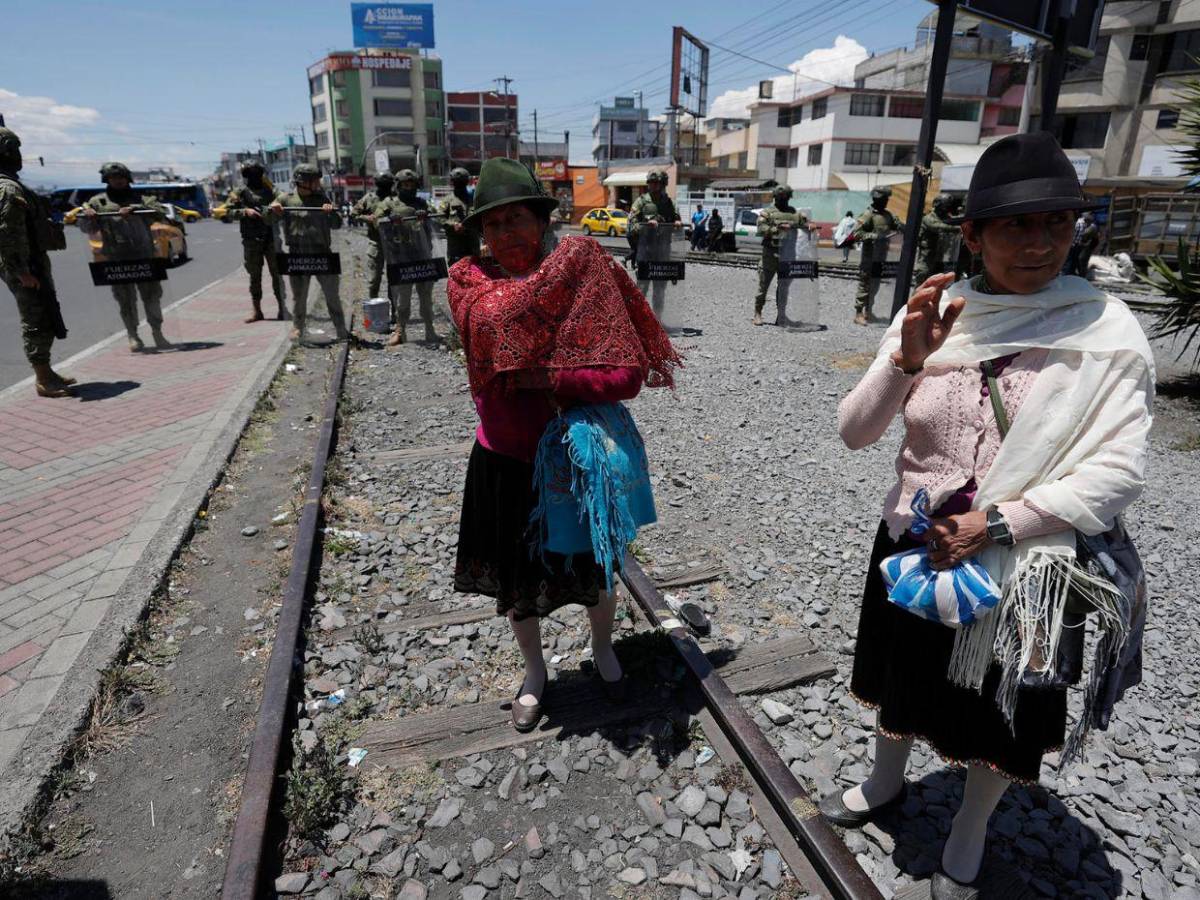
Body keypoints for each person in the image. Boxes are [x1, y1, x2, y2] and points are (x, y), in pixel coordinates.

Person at [827, 132, 1153, 899]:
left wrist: (998, 523)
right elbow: (854, 431)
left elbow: (1117, 474)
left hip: (1030, 560)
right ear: (971, 234)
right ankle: (884, 782)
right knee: (903, 676)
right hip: (915, 544)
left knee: (1002, 712)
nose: (1040, 242)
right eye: (1016, 225)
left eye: (1057, 223)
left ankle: (970, 825)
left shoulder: (1104, 331)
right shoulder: (938, 314)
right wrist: (906, 361)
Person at [448, 158, 682, 733]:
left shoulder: (582, 273)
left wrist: (548, 378)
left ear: (542, 220)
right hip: (502, 460)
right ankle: (534, 673)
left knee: (595, 570)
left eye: (517, 219)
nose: (506, 235)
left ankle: (603, 646)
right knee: (516, 584)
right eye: (493, 224)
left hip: (572, 461)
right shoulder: (469, 286)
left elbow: (625, 375)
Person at [0, 127, 73, 397]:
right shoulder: (7, 187)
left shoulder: (9, 182)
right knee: (36, 318)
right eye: (14, 149)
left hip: (31, 260)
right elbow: (7, 233)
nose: (18, 155)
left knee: (47, 312)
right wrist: (20, 271)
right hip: (25, 264)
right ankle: (42, 378)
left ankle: (47, 371)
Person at [80, 162, 173, 352]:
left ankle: (157, 332)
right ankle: (133, 335)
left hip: (144, 256)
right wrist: (88, 216)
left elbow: (161, 214)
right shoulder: (98, 202)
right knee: (125, 299)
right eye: (113, 178)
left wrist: (135, 209)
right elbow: (86, 229)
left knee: (152, 296)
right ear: (106, 179)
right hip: (117, 259)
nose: (118, 181)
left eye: (121, 177)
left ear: (128, 178)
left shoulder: (143, 198)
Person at [267, 163, 349, 343]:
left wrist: (330, 212)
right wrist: (273, 210)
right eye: (315, 181)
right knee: (299, 296)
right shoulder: (286, 199)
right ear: (303, 182)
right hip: (298, 255)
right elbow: (267, 219)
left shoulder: (322, 199)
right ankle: (298, 327)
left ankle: (340, 328)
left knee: (332, 295)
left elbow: (337, 224)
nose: (318, 184)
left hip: (322, 254)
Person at [375, 169, 438, 346]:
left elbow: (435, 219)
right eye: (405, 185)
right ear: (398, 186)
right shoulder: (389, 203)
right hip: (400, 257)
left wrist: (425, 217)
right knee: (402, 300)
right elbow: (376, 219)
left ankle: (429, 329)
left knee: (425, 297)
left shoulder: (421, 203)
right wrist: (389, 220)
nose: (408, 188)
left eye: (411, 185)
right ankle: (400, 330)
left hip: (422, 255)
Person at [223, 160, 286, 323]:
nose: (254, 176)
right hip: (251, 240)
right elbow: (227, 212)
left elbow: (283, 198)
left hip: (271, 238)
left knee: (277, 275)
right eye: (250, 173)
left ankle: (282, 309)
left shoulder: (270, 189)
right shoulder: (240, 192)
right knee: (254, 276)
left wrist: (275, 203)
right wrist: (245, 211)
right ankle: (257, 311)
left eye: (257, 173)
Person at [752, 185, 809, 326]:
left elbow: (805, 225)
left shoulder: (794, 213)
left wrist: (810, 226)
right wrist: (776, 228)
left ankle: (781, 316)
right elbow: (760, 229)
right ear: (775, 198)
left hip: (788, 255)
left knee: (784, 288)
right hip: (770, 255)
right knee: (763, 287)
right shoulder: (768, 212)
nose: (783, 200)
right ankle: (757, 313)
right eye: (781, 197)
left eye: (786, 198)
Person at [628, 170, 679, 319]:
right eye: (652, 183)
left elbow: (676, 218)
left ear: (663, 184)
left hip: (663, 253)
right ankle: (638, 321)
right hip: (646, 252)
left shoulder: (669, 203)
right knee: (642, 288)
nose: (654, 186)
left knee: (660, 290)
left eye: (657, 183)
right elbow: (631, 226)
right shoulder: (641, 202)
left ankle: (657, 321)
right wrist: (645, 225)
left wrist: (677, 223)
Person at [853, 186, 903, 325]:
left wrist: (901, 226)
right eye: (884, 199)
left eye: (887, 199)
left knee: (875, 285)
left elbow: (897, 225)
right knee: (865, 284)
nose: (886, 202)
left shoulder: (888, 216)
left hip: (882, 256)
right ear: (877, 199)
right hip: (869, 257)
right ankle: (858, 313)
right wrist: (875, 236)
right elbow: (856, 234)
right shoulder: (868, 215)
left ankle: (869, 311)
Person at [351, 170, 395, 299]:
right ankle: (374, 308)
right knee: (374, 280)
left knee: (394, 279)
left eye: (387, 185)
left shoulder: (395, 199)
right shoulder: (368, 198)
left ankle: (393, 310)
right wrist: (366, 218)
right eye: (382, 184)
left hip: (394, 244)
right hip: (376, 243)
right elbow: (354, 214)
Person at [913, 194, 963, 286]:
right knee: (922, 283)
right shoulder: (929, 218)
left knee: (937, 284)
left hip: (940, 258)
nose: (947, 209)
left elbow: (953, 221)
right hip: (927, 257)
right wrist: (957, 228)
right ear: (938, 206)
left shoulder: (945, 218)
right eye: (945, 206)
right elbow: (937, 226)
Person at [439, 166, 478, 267]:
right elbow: (439, 218)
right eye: (457, 182)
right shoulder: (447, 200)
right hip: (455, 247)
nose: (459, 184)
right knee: (456, 276)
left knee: (476, 275)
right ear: (452, 182)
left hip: (473, 245)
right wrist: (453, 225)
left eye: (462, 181)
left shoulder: (474, 199)